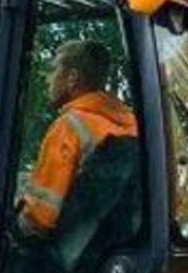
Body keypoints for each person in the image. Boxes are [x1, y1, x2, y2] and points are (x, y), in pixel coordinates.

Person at [16, 38, 138, 238]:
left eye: (53, 70)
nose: (48, 79)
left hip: (66, 255)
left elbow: (40, 217)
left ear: (72, 78)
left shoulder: (69, 126)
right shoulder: (130, 126)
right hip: (106, 249)